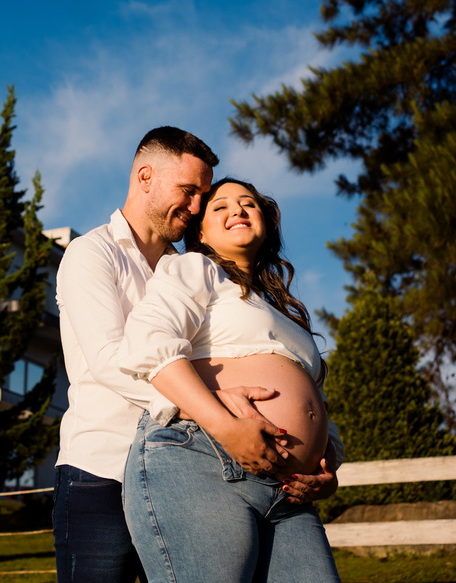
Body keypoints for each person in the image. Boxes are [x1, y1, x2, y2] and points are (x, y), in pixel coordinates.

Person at [53, 130, 290, 583]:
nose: (197, 206)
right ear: (145, 177)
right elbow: (108, 358)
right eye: (189, 191)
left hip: (181, 474)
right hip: (102, 472)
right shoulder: (91, 253)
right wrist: (211, 406)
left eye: (203, 194)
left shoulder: (185, 267)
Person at [120, 177, 342, 582]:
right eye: (220, 206)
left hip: (288, 493)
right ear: (201, 233)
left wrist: (326, 471)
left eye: (248, 204)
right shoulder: (196, 268)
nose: (238, 209)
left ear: (266, 225)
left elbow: (317, 406)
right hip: (203, 457)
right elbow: (148, 341)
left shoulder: (282, 311)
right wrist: (225, 427)